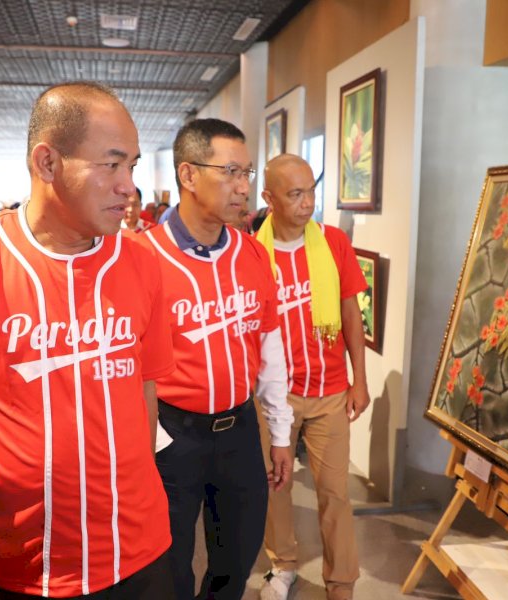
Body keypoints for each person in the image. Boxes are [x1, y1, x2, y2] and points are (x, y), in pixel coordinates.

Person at [0, 81, 177, 600]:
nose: (128, 187)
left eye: (131, 166)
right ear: (47, 163)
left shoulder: (140, 262)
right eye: (111, 165)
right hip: (27, 559)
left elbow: (144, 389)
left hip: (141, 546)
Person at [141, 118, 293, 600]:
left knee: (237, 557)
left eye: (247, 173)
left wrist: (281, 433)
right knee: (168, 564)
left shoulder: (251, 254)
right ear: (188, 175)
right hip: (172, 435)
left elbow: (269, 347)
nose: (244, 187)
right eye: (230, 171)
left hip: (239, 431)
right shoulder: (141, 258)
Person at [255, 154, 370, 600]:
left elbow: (349, 315)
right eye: (295, 194)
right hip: (274, 395)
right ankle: (282, 566)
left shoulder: (333, 243)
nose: (307, 203)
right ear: (269, 198)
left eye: (311, 191)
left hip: (329, 390)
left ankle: (341, 582)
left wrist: (359, 379)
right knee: (276, 488)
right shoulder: (251, 252)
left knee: (335, 493)